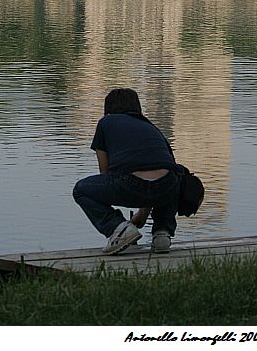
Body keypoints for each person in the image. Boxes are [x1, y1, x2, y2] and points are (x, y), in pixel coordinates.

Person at [73, 88, 180, 255]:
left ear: (108, 108)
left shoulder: (105, 123)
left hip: (131, 184)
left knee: (81, 190)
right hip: (167, 186)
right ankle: (162, 234)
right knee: (175, 176)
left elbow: (105, 174)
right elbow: (158, 173)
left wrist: (127, 219)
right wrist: (142, 215)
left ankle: (117, 228)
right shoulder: (151, 127)